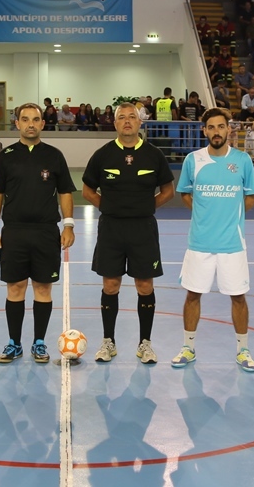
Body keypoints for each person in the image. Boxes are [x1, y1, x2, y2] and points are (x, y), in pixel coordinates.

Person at [82, 102, 175, 364]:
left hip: (143, 229)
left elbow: (168, 190)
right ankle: (108, 341)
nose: (126, 121)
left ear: (140, 122)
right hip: (111, 228)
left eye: (131, 117)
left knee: (145, 287)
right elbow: (88, 190)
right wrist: (111, 208)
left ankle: (145, 343)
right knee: (110, 286)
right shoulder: (102, 155)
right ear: (114, 123)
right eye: (121, 117)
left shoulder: (154, 154)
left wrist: (146, 207)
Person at [173, 107, 254, 372]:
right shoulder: (193, 160)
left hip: (232, 245)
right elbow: (185, 194)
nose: (216, 132)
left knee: (238, 297)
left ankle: (243, 350)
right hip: (199, 243)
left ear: (228, 129)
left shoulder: (243, 160)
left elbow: (252, 196)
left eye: (220, 127)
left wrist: (229, 215)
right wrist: (206, 214)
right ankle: (188, 347)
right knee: (192, 295)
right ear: (204, 131)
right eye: (210, 127)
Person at [0, 103, 76, 364]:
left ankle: (39, 342)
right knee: (14, 288)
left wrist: (68, 224)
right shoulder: (6, 156)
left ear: (43, 123)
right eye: (25, 119)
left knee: (42, 288)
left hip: (46, 232)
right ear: (17, 124)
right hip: (13, 232)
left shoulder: (54, 155)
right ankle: (14, 343)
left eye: (35, 119)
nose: (30, 124)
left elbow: (65, 191)